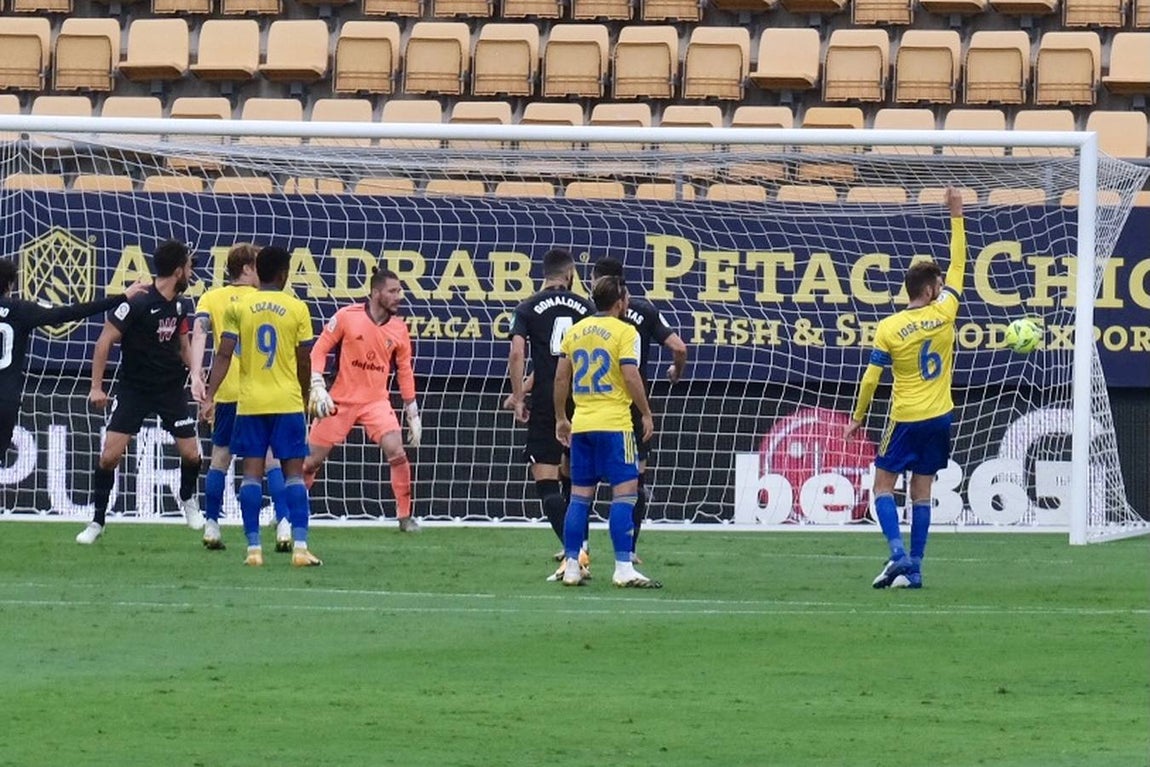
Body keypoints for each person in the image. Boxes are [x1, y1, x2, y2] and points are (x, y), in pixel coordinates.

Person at [844, 187, 967, 590]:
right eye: (939, 284)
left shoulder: (889, 327)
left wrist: (858, 417)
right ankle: (915, 570)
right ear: (930, 290)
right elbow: (960, 263)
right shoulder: (946, 311)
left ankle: (898, 554)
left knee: (882, 486)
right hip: (940, 417)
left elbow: (871, 379)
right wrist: (956, 215)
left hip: (905, 417)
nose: (942, 288)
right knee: (922, 492)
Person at [76, 240, 203, 545]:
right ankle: (97, 521)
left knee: (192, 455)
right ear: (178, 271)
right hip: (134, 389)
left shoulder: (182, 305)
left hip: (170, 388)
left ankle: (187, 498)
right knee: (109, 457)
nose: (191, 273)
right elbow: (104, 341)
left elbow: (184, 345)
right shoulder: (138, 301)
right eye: (189, 267)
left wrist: (197, 376)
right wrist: (96, 387)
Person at [203, 246, 321, 567]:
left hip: (250, 403)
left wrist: (210, 395)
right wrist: (305, 394)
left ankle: (253, 548)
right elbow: (304, 360)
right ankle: (300, 546)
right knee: (293, 475)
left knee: (251, 476)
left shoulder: (239, 307)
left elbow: (224, 354)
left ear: (260, 271)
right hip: (286, 401)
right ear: (283, 274)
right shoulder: (298, 308)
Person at [554, 274, 660, 588]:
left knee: (579, 498)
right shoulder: (625, 331)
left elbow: (561, 378)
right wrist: (646, 412)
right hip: (615, 426)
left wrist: (561, 418)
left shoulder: (575, 330)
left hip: (582, 425)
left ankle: (572, 567)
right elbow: (630, 375)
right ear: (620, 302)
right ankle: (623, 568)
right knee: (625, 496)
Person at [191, 243, 293, 551]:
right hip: (264, 392)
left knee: (220, 459)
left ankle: (211, 525)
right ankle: (284, 524)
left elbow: (200, 333)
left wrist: (197, 376)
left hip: (227, 392)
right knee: (272, 460)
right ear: (248, 268)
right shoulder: (270, 300)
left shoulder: (211, 298)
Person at [304, 267, 423, 532]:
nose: (399, 296)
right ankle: (288, 510)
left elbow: (404, 370)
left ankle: (405, 517)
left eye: (399, 291)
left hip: (376, 402)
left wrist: (412, 411)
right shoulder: (347, 316)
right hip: (340, 400)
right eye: (393, 291)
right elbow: (319, 350)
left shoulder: (399, 329)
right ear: (376, 292)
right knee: (310, 462)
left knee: (397, 451)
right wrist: (316, 382)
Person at [0, 259, 148, 461]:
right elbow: (68, 313)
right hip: (5, 401)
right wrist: (121, 297)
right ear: (10, 285)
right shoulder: (20, 309)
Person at [590, 257, 687, 564]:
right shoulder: (644, 311)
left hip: (593, 405)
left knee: (581, 484)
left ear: (597, 281)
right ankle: (628, 551)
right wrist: (676, 372)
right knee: (635, 480)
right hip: (632, 406)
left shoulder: (589, 314)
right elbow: (679, 347)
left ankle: (576, 551)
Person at [505, 249, 595, 575]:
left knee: (546, 482)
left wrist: (519, 397)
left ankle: (576, 554)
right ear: (570, 274)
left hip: (546, 401)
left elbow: (518, 354)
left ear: (543, 274)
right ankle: (582, 544)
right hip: (583, 399)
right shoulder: (587, 307)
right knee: (574, 476)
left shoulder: (527, 307)